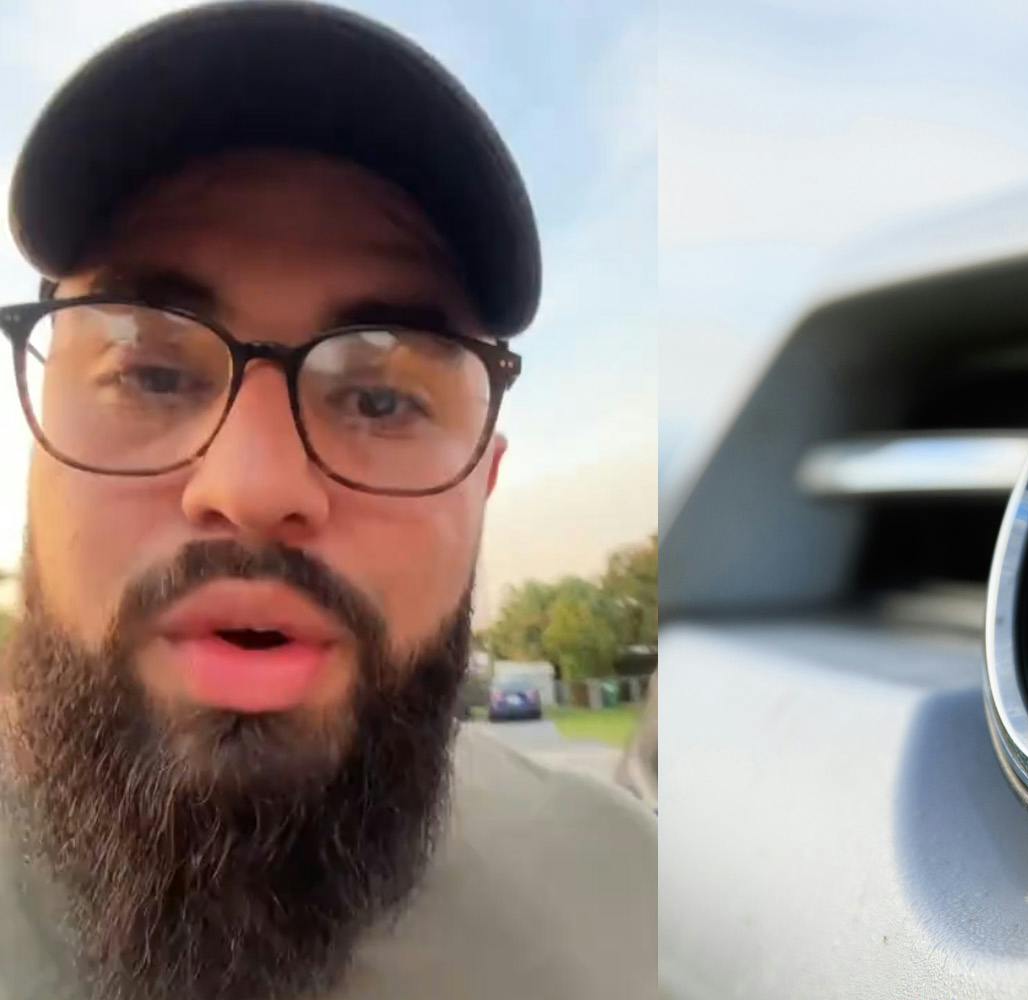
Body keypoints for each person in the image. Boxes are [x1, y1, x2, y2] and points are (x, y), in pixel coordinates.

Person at [0, 4, 656, 1000]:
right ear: (37, 437)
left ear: (485, 482)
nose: (254, 489)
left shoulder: (632, 906)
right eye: (151, 373)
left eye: (382, 396)